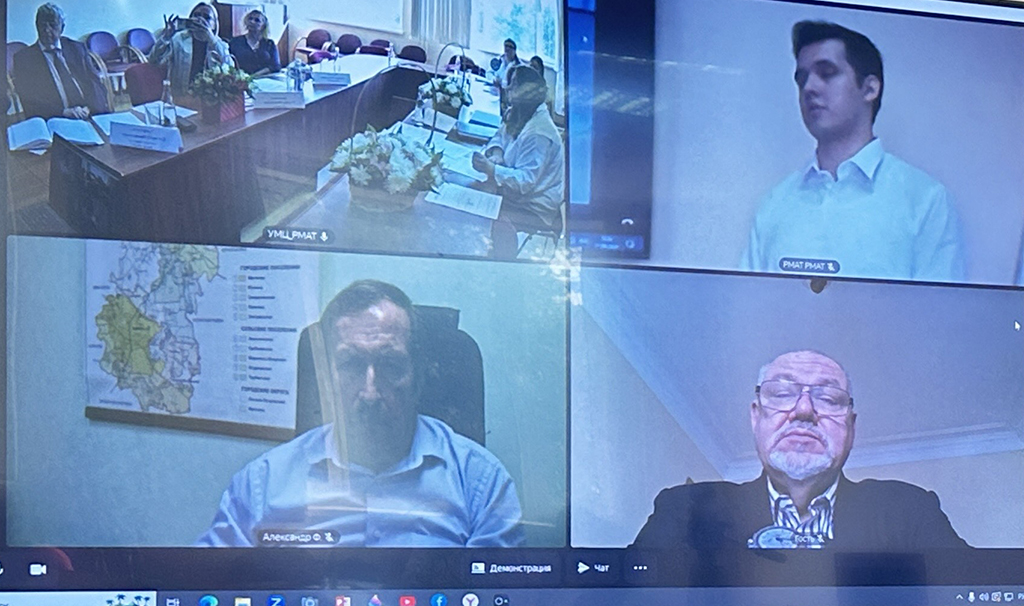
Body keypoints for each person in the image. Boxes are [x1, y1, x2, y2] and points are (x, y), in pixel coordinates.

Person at [197, 280, 524, 547]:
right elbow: (208, 587)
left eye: (391, 365)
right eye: (351, 364)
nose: (370, 392)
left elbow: (496, 594)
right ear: (326, 379)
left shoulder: (480, 483)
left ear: (419, 376)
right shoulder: (262, 484)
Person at [632, 350, 969, 550]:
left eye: (829, 398)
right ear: (756, 417)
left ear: (850, 426)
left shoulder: (908, 510)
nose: (804, 410)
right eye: (782, 393)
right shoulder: (686, 509)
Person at [740, 21, 965, 283]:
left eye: (827, 73)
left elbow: (941, 307)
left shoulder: (925, 201)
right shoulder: (774, 205)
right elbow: (748, 303)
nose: (809, 88)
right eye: (802, 79)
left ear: (869, 89)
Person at [472, 66, 565, 238]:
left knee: (478, 212)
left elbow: (525, 182)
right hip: (516, 193)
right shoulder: (518, 111)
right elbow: (499, 135)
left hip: (533, 207)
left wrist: (491, 169)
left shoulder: (539, 133)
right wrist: (497, 152)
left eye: (514, 85)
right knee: (473, 194)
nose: (507, 88)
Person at [12, 3, 109, 120]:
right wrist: (64, 112)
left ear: (62, 28)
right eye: (42, 25)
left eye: (52, 25)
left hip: (89, 114)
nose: (47, 30)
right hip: (55, 119)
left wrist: (89, 108)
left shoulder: (77, 49)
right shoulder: (24, 59)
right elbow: (29, 101)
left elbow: (95, 83)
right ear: (36, 26)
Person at [149, 2, 231, 98]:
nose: (200, 20)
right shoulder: (178, 39)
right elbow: (154, 61)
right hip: (181, 96)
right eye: (196, 15)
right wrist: (166, 37)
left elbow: (229, 69)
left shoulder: (219, 44)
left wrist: (211, 40)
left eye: (206, 17)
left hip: (210, 97)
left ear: (214, 24)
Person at [228, 9, 281, 76]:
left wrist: (254, 75)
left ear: (263, 26)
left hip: (265, 78)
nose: (252, 22)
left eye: (257, 20)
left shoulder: (269, 44)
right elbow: (229, 62)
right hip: (241, 79)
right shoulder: (235, 42)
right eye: (250, 19)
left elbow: (276, 66)